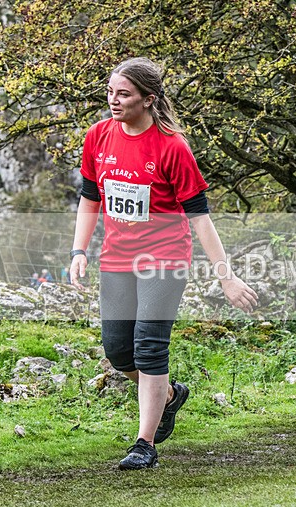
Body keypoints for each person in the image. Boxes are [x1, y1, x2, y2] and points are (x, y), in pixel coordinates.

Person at [69, 57, 258, 470]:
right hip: (117, 260)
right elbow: (90, 198)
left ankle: (144, 443)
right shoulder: (97, 137)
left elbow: (200, 218)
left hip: (165, 260)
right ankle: (170, 395)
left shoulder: (172, 147)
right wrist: (79, 250)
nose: (113, 101)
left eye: (124, 94)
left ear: (148, 99)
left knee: (149, 348)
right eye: (110, 92)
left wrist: (226, 277)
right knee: (119, 352)